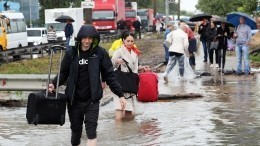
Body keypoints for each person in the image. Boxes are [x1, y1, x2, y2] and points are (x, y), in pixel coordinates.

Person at [48, 25, 127, 146]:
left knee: (91, 131)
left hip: (92, 100)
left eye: (90, 38)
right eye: (84, 38)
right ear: (80, 39)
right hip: (74, 100)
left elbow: (110, 75)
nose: (87, 41)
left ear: (94, 39)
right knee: (76, 132)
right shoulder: (72, 53)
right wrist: (54, 84)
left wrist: (120, 95)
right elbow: (64, 73)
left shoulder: (100, 53)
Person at [111, 31, 149, 122]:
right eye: (128, 41)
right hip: (120, 81)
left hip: (131, 82)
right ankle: (119, 129)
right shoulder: (119, 51)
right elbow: (111, 65)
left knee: (129, 109)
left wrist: (142, 67)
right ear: (123, 40)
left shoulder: (135, 53)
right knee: (119, 107)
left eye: (132, 41)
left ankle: (128, 130)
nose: (130, 43)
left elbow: (134, 69)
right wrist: (117, 61)